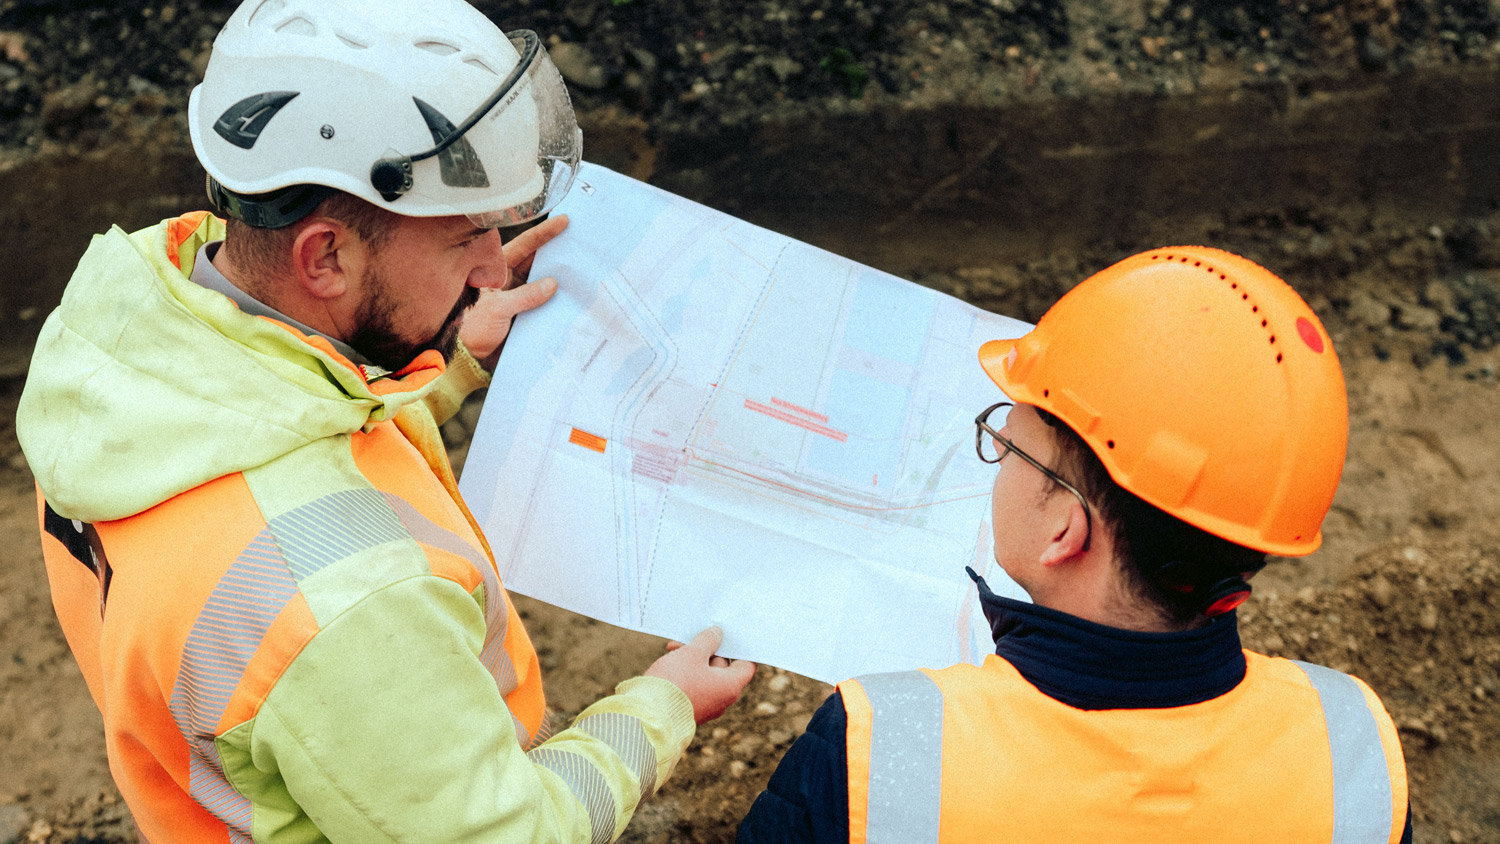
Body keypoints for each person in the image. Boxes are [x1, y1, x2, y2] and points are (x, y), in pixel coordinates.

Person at [16, 1, 754, 842]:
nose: (492, 262)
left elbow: (288, 458)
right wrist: (664, 707)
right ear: (325, 256)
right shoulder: (351, 611)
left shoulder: (130, 342)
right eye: (463, 238)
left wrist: (449, 356)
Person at [737, 246, 1410, 843]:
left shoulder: (874, 753)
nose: (996, 459)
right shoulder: (1355, 752)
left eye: (1005, 444)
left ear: (1068, 528)